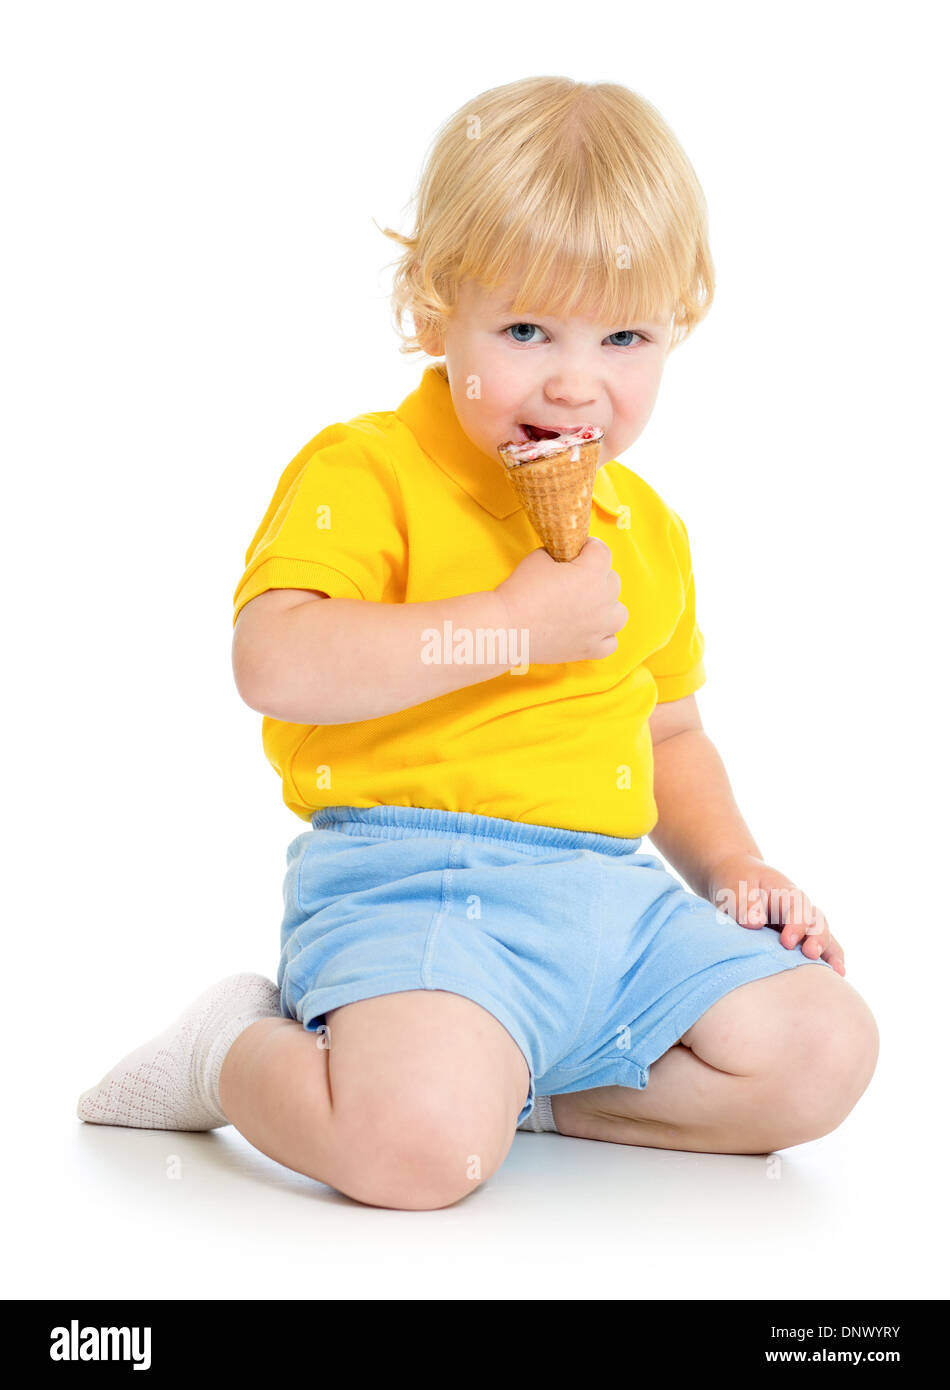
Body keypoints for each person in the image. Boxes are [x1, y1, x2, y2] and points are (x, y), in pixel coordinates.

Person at [76, 75, 879, 1210]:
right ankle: (232, 1050)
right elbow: (275, 659)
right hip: (415, 884)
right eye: (521, 330)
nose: (572, 381)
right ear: (430, 310)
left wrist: (735, 865)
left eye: (623, 335)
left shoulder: (644, 530)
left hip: (613, 902)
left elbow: (670, 729)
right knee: (413, 1163)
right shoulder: (368, 470)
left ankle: (512, 1089)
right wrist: (502, 628)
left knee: (822, 1048)